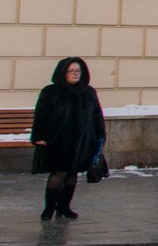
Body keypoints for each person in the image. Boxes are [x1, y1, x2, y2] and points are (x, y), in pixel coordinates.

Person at [30, 57, 105, 221]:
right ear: (63, 72)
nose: (75, 74)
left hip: (82, 140)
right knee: (59, 172)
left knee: (73, 173)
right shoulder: (51, 91)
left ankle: (64, 206)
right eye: (71, 71)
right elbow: (41, 115)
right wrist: (39, 136)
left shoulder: (88, 92)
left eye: (78, 71)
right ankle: (49, 208)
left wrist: (100, 137)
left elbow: (97, 115)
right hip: (59, 140)